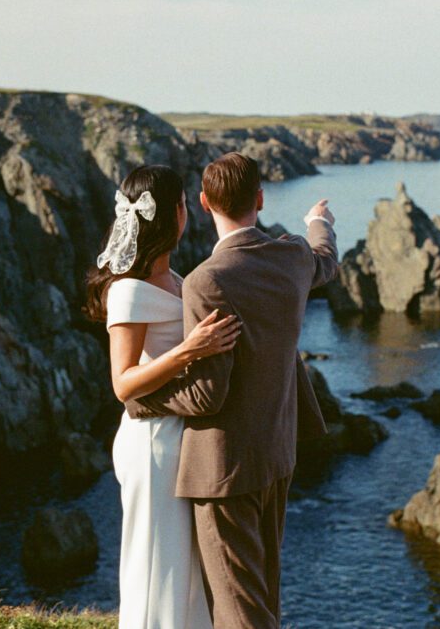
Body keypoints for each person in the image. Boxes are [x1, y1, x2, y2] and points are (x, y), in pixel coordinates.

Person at [124, 152, 337, 629]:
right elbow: (325, 259)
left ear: (203, 203)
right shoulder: (293, 256)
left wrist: (140, 400)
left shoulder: (207, 281)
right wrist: (318, 221)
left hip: (224, 469)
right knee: (263, 597)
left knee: (238, 611)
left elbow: (206, 396)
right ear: (260, 199)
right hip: (277, 457)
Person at [85, 165, 238, 629]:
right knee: (155, 568)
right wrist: (191, 351)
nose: (189, 212)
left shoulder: (173, 277)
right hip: (151, 443)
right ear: (173, 213)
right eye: (185, 204)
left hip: (177, 437)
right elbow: (123, 383)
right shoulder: (128, 292)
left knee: (182, 570)